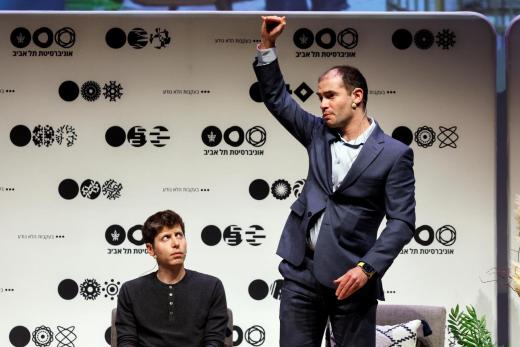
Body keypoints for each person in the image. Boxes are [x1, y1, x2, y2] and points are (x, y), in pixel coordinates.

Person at [253, 16, 416, 347]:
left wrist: (367, 269)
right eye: (319, 97)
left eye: (330, 96)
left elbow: (401, 222)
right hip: (301, 273)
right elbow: (277, 99)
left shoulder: (394, 154)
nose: (323, 104)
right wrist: (268, 46)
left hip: (351, 279)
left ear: (356, 96)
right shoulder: (317, 133)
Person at [115, 210, 228, 347]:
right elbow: (127, 342)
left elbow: (214, 342)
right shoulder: (130, 291)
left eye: (179, 235)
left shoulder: (212, 286)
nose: (176, 243)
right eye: (166, 237)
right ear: (151, 249)